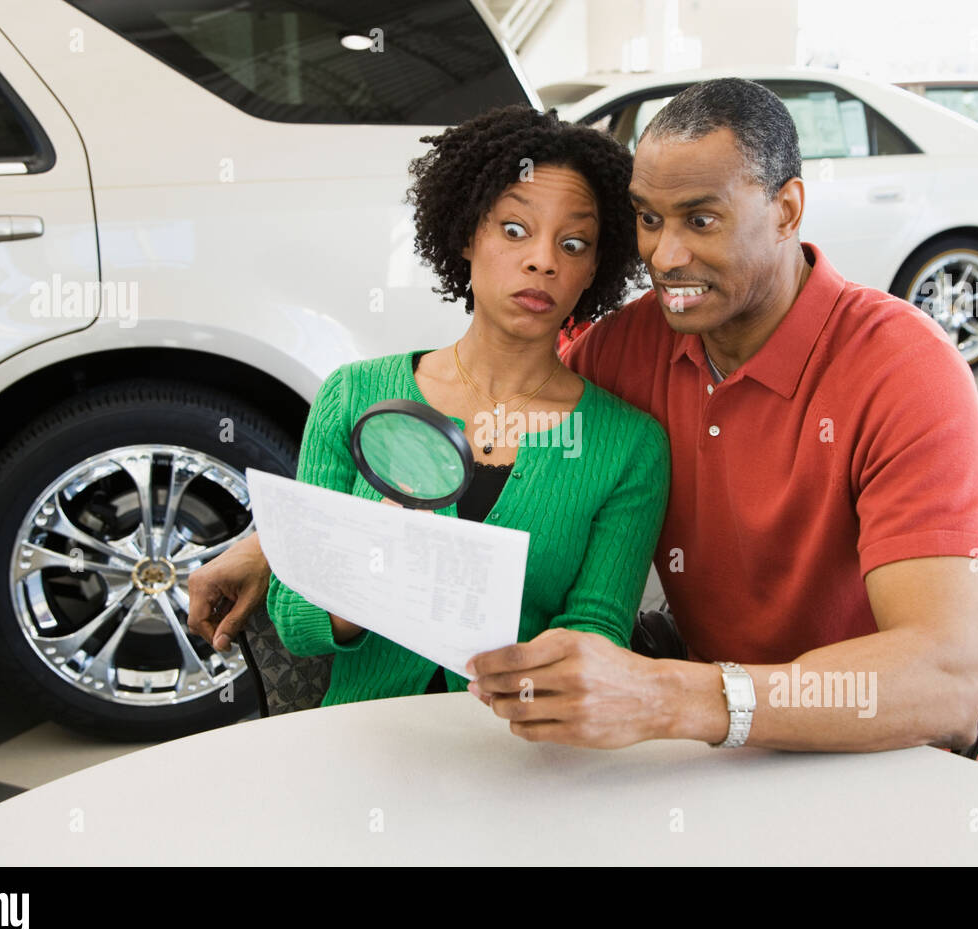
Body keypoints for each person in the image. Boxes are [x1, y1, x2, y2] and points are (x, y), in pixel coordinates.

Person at [194, 80, 978, 753]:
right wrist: (277, 540)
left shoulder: (903, 368)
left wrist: (677, 697)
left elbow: (948, 680)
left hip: (873, 750)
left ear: (787, 209)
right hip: (701, 747)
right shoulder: (635, 343)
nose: (667, 258)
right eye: (649, 219)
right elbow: (492, 439)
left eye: (702, 219)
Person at [189, 105, 669, 706]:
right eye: (515, 230)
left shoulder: (629, 445)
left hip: (523, 746)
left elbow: (599, 630)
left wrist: (523, 679)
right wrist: (375, 572)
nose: (543, 260)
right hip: (365, 741)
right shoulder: (352, 395)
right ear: (467, 234)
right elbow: (294, 617)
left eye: (573, 243)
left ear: (593, 268)